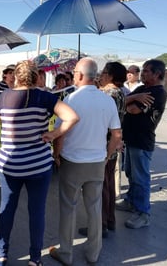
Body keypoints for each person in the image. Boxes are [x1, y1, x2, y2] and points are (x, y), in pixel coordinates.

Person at [0, 60, 79, 266]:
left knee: (6, 208)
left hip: (10, 164)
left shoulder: (2, 97)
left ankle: (1, 255)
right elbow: (73, 117)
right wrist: (53, 133)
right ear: (36, 76)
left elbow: (1, 124)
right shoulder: (45, 97)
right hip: (38, 164)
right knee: (37, 212)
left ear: (16, 76)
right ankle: (35, 259)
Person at [50, 57, 122, 266]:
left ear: (80, 75)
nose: (73, 77)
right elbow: (116, 135)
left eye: (74, 74)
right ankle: (93, 253)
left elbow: (60, 134)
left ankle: (66, 252)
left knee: (68, 208)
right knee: (94, 207)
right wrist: (106, 156)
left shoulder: (70, 100)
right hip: (97, 162)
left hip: (72, 161)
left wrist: (56, 155)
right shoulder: (107, 100)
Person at [116, 59, 167, 229]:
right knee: (131, 173)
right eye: (143, 70)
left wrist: (130, 100)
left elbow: (132, 109)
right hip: (131, 138)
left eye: (146, 71)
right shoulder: (141, 90)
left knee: (141, 178)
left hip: (142, 140)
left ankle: (143, 213)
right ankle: (131, 201)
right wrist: (135, 97)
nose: (142, 73)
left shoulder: (158, 93)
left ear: (157, 74)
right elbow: (123, 100)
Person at [78, 61, 126, 239]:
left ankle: (101, 224)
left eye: (104, 72)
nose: (101, 76)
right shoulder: (120, 93)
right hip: (112, 145)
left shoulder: (108, 94)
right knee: (108, 185)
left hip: (103, 146)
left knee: (101, 187)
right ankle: (110, 219)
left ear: (111, 76)